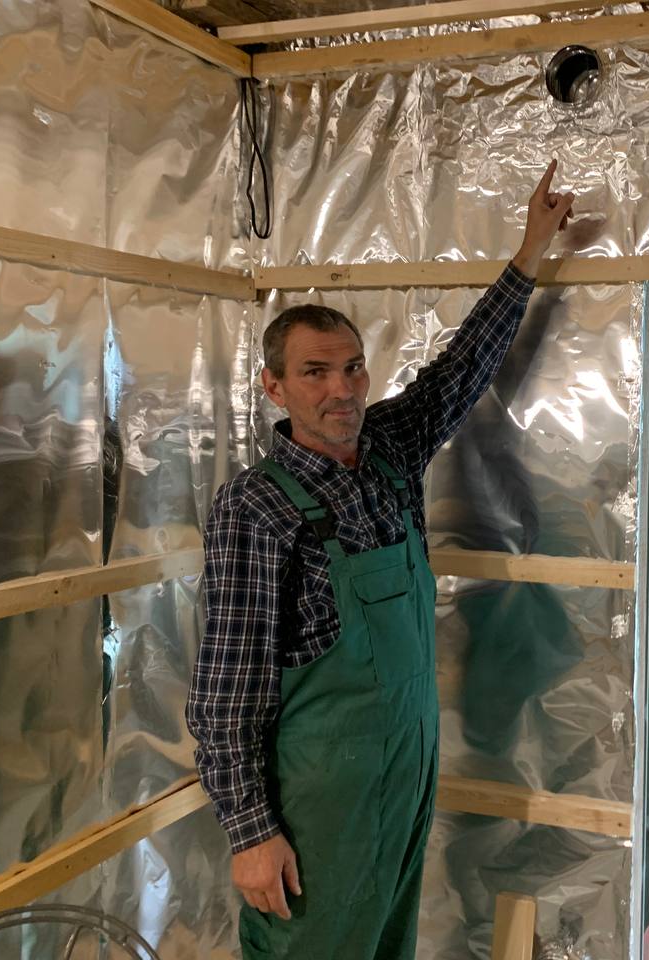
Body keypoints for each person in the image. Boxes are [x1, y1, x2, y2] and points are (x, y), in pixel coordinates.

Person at [186, 162, 575, 959]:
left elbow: (461, 370)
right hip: (318, 803)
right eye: (315, 372)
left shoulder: (389, 451)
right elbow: (225, 693)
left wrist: (530, 251)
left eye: (353, 367)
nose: (342, 389)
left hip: (403, 774)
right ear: (274, 388)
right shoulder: (256, 509)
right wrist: (251, 833)